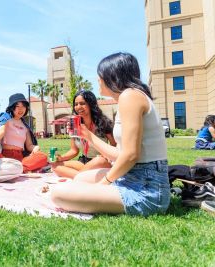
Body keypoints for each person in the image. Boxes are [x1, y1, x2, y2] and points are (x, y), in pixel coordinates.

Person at [51, 52, 170, 216]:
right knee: (79, 179)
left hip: (146, 188)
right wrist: (87, 136)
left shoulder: (130, 96)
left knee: (58, 193)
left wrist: (103, 183)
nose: (98, 79)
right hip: (132, 176)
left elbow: (130, 156)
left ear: (112, 75)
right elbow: (123, 153)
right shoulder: (130, 96)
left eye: (100, 75)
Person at [51, 90, 116, 178]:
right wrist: (61, 158)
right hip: (84, 162)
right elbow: (74, 150)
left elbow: (115, 146)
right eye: (76, 104)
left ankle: (79, 177)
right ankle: (84, 177)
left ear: (91, 104)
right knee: (55, 166)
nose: (78, 107)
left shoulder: (104, 123)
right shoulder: (75, 125)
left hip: (101, 162)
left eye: (82, 103)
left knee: (98, 160)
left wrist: (105, 154)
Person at [0, 93, 40, 162]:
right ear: (12, 107)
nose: (21, 109)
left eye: (23, 106)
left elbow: (29, 145)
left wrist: (35, 148)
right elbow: (1, 130)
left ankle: (20, 167)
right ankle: (19, 168)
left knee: (42, 157)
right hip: (5, 156)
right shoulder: (6, 118)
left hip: (20, 156)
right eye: (17, 106)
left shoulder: (25, 126)